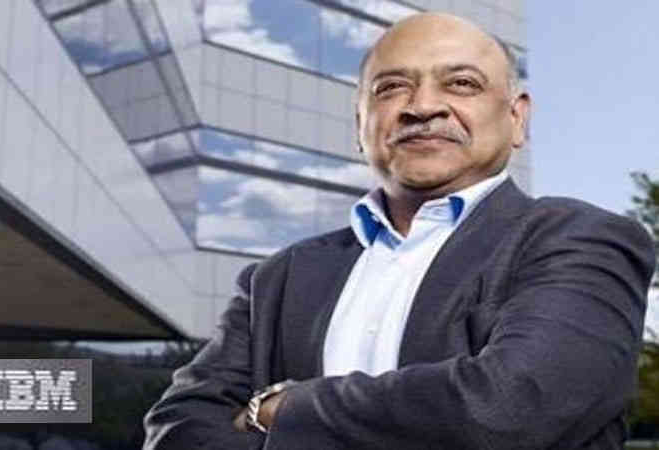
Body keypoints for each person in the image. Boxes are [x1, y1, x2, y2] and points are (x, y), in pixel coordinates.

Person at [143, 12, 656, 450]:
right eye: (391, 88)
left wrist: (287, 407)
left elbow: (510, 408)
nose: (423, 106)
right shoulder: (275, 279)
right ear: (360, 124)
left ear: (517, 117)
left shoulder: (580, 240)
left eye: (461, 83)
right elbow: (177, 430)